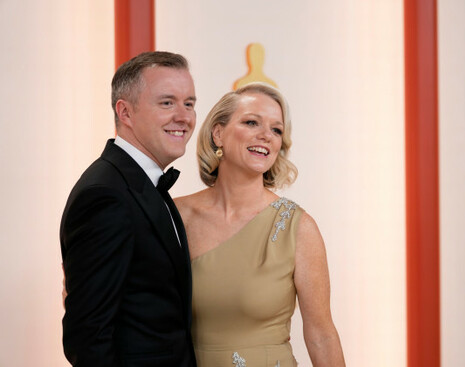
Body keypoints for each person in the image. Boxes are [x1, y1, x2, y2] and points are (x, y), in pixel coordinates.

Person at [175, 82, 346, 366]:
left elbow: (321, 335)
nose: (266, 135)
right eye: (251, 122)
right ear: (218, 134)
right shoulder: (175, 215)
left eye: (276, 130)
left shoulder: (298, 227)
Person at [60, 51, 197, 367]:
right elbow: (88, 335)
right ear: (125, 112)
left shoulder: (139, 183)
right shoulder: (105, 195)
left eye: (189, 103)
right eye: (167, 102)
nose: (184, 116)